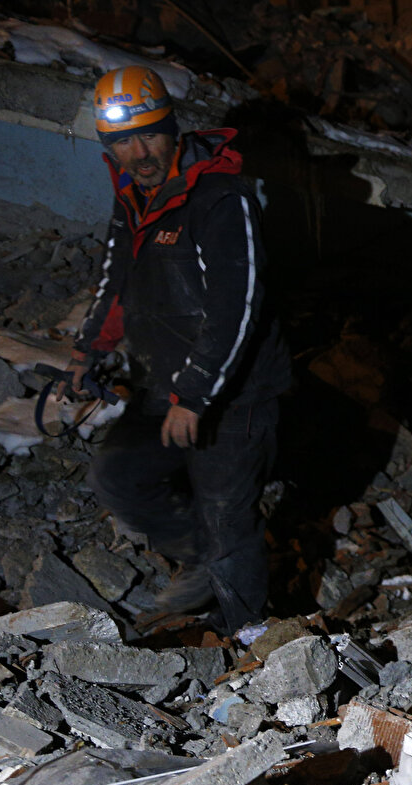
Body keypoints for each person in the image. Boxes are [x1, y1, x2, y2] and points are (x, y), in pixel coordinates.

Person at [61, 65, 291, 635]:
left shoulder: (221, 198)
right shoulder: (133, 198)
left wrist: (195, 393)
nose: (138, 153)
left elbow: (237, 308)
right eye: (121, 142)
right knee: (118, 474)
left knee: (226, 518)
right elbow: (117, 280)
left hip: (233, 395)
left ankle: (249, 642)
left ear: (174, 128)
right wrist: (87, 351)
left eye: (149, 135)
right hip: (163, 383)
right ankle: (197, 561)